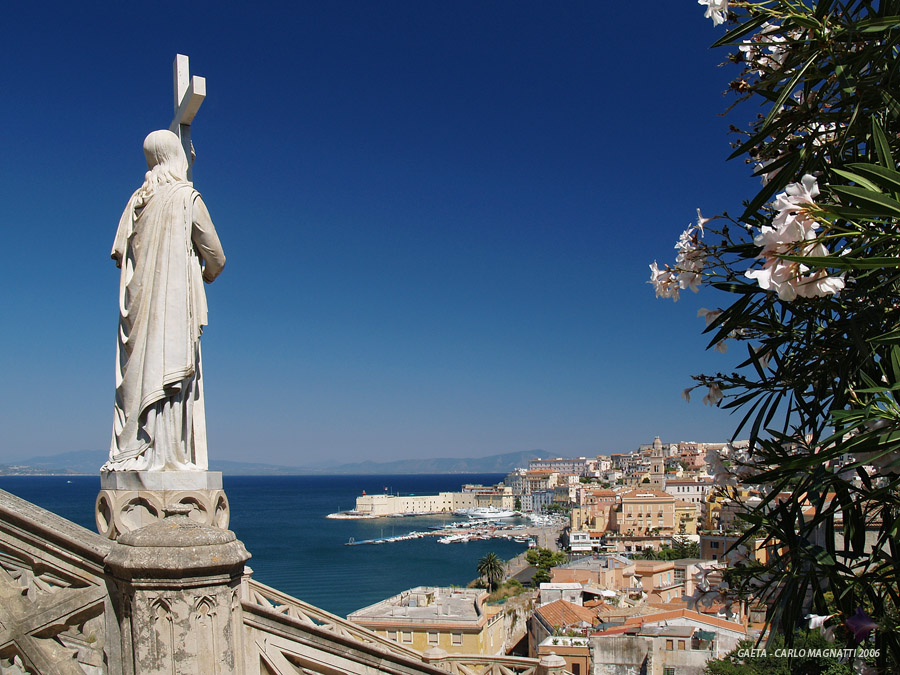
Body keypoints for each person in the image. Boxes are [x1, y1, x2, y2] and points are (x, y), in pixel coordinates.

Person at [103, 129, 225, 472]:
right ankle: (170, 455)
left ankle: (142, 449)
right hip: (172, 309)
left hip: (141, 309)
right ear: (177, 157)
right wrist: (202, 275)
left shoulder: (136, 203)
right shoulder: (187, 198)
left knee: (145, 373)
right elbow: (216, 256)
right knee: (171, 376)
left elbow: (122, 256)